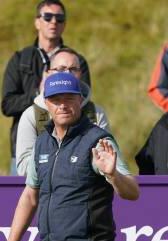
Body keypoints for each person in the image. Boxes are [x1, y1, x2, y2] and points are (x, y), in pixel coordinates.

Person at [0, 73, 139, 241]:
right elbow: (30, 196)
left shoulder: (97, 140)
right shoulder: (43, 142)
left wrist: (113, 175)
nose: (62, 105)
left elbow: (132, 192)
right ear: (46, 105)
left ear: (80, 101)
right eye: (55, 100)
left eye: (68, 99)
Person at [1, 0, 91, 175]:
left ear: (64, 24)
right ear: (37, 22)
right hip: (27, 147)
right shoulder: (20, 59)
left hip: (72, 150)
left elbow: (84, 101)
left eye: (59, 18)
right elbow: (7, 105)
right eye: (48, 16)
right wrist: (39, 93)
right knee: (24, 200)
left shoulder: (76, 61)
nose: (53, 22)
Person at [15, 47, 109, 176]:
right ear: (48, 74)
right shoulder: (30, 115)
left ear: (80, 74)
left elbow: (107, 163)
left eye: (73, 69)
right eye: (60, 69)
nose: (67, 74)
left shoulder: (96, 113)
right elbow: (23, 169)